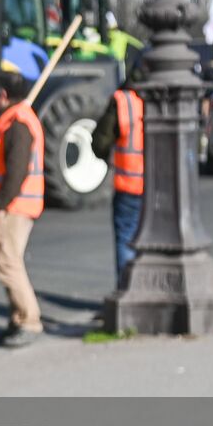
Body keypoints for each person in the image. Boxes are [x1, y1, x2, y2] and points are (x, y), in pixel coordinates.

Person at [0, 70, 45, 348]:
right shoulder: (17, 119)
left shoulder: (17, 122)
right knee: (11, 263)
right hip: (17, 204)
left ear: (2, 94)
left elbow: (16, 170)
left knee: (8, 265)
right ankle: (20, 319)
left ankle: (28, 320)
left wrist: (0, 205)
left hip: (13, 207)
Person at [93, 76, 144, 283]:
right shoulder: (163, 96)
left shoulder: (124, 101)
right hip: (159, 186)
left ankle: (127, 290)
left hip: (130, 184)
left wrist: (109, 158)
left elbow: (100, 142)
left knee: (126, 239)